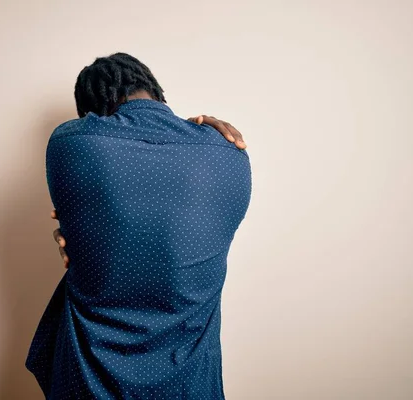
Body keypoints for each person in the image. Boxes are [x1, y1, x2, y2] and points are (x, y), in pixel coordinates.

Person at [25, 52, 252, 399]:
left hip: (90, 381)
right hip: (191, 384)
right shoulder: (230, 153)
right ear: (156, 92)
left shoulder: (71, 143)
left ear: (91, 110)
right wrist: (197, 129)